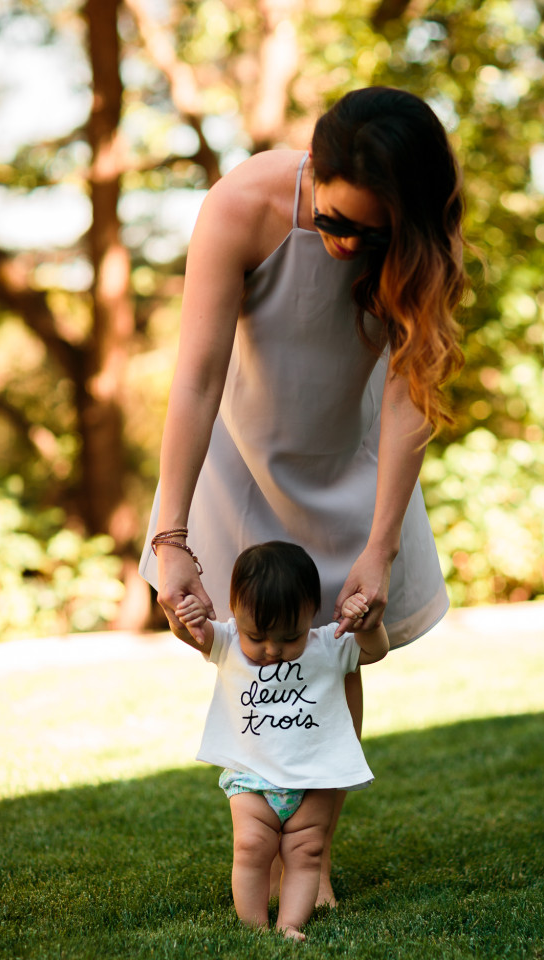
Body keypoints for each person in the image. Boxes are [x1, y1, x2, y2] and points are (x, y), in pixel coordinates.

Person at [140, 85, 466, 905]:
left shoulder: (420, 240)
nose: (347, 245)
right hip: (241, 458)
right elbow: (198, 373)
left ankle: (310, 851)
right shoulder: (241, 203)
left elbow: (408, 390)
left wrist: (379, 544)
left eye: (371, 233)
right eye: (332, 222)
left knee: (333, 649)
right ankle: (261, 838)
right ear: (312, 172)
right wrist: (170, 536)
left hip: (351, 456)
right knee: (259, 648)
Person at [170, 541, 389, 941]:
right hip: (252, 776)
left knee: (307, 854)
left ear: (311, 613)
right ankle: (254, 926)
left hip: (316, 779)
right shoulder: (230, 642)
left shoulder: (327, 644)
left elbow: (374, 653)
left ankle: (290, 925)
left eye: (290, 638)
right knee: (251, 847)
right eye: (258, 636)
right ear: (236, 613)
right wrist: (186, 617)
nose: (272, 650)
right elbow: (191, 635)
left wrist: (368, 625)